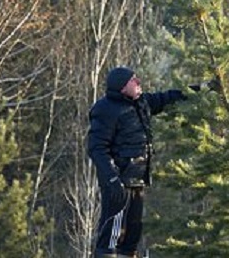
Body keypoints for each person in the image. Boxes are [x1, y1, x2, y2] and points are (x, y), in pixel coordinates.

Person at [88, 66, 216, 258]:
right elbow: (97, 148)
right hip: (118, 182)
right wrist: (112, 179)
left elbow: (170, 97)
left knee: (133, 232)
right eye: (133, 80)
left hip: (138, 179)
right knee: (111, 235)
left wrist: (204, 88)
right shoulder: (106, 109)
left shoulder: (143, 103)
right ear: (122, 86)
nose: (138, 82)